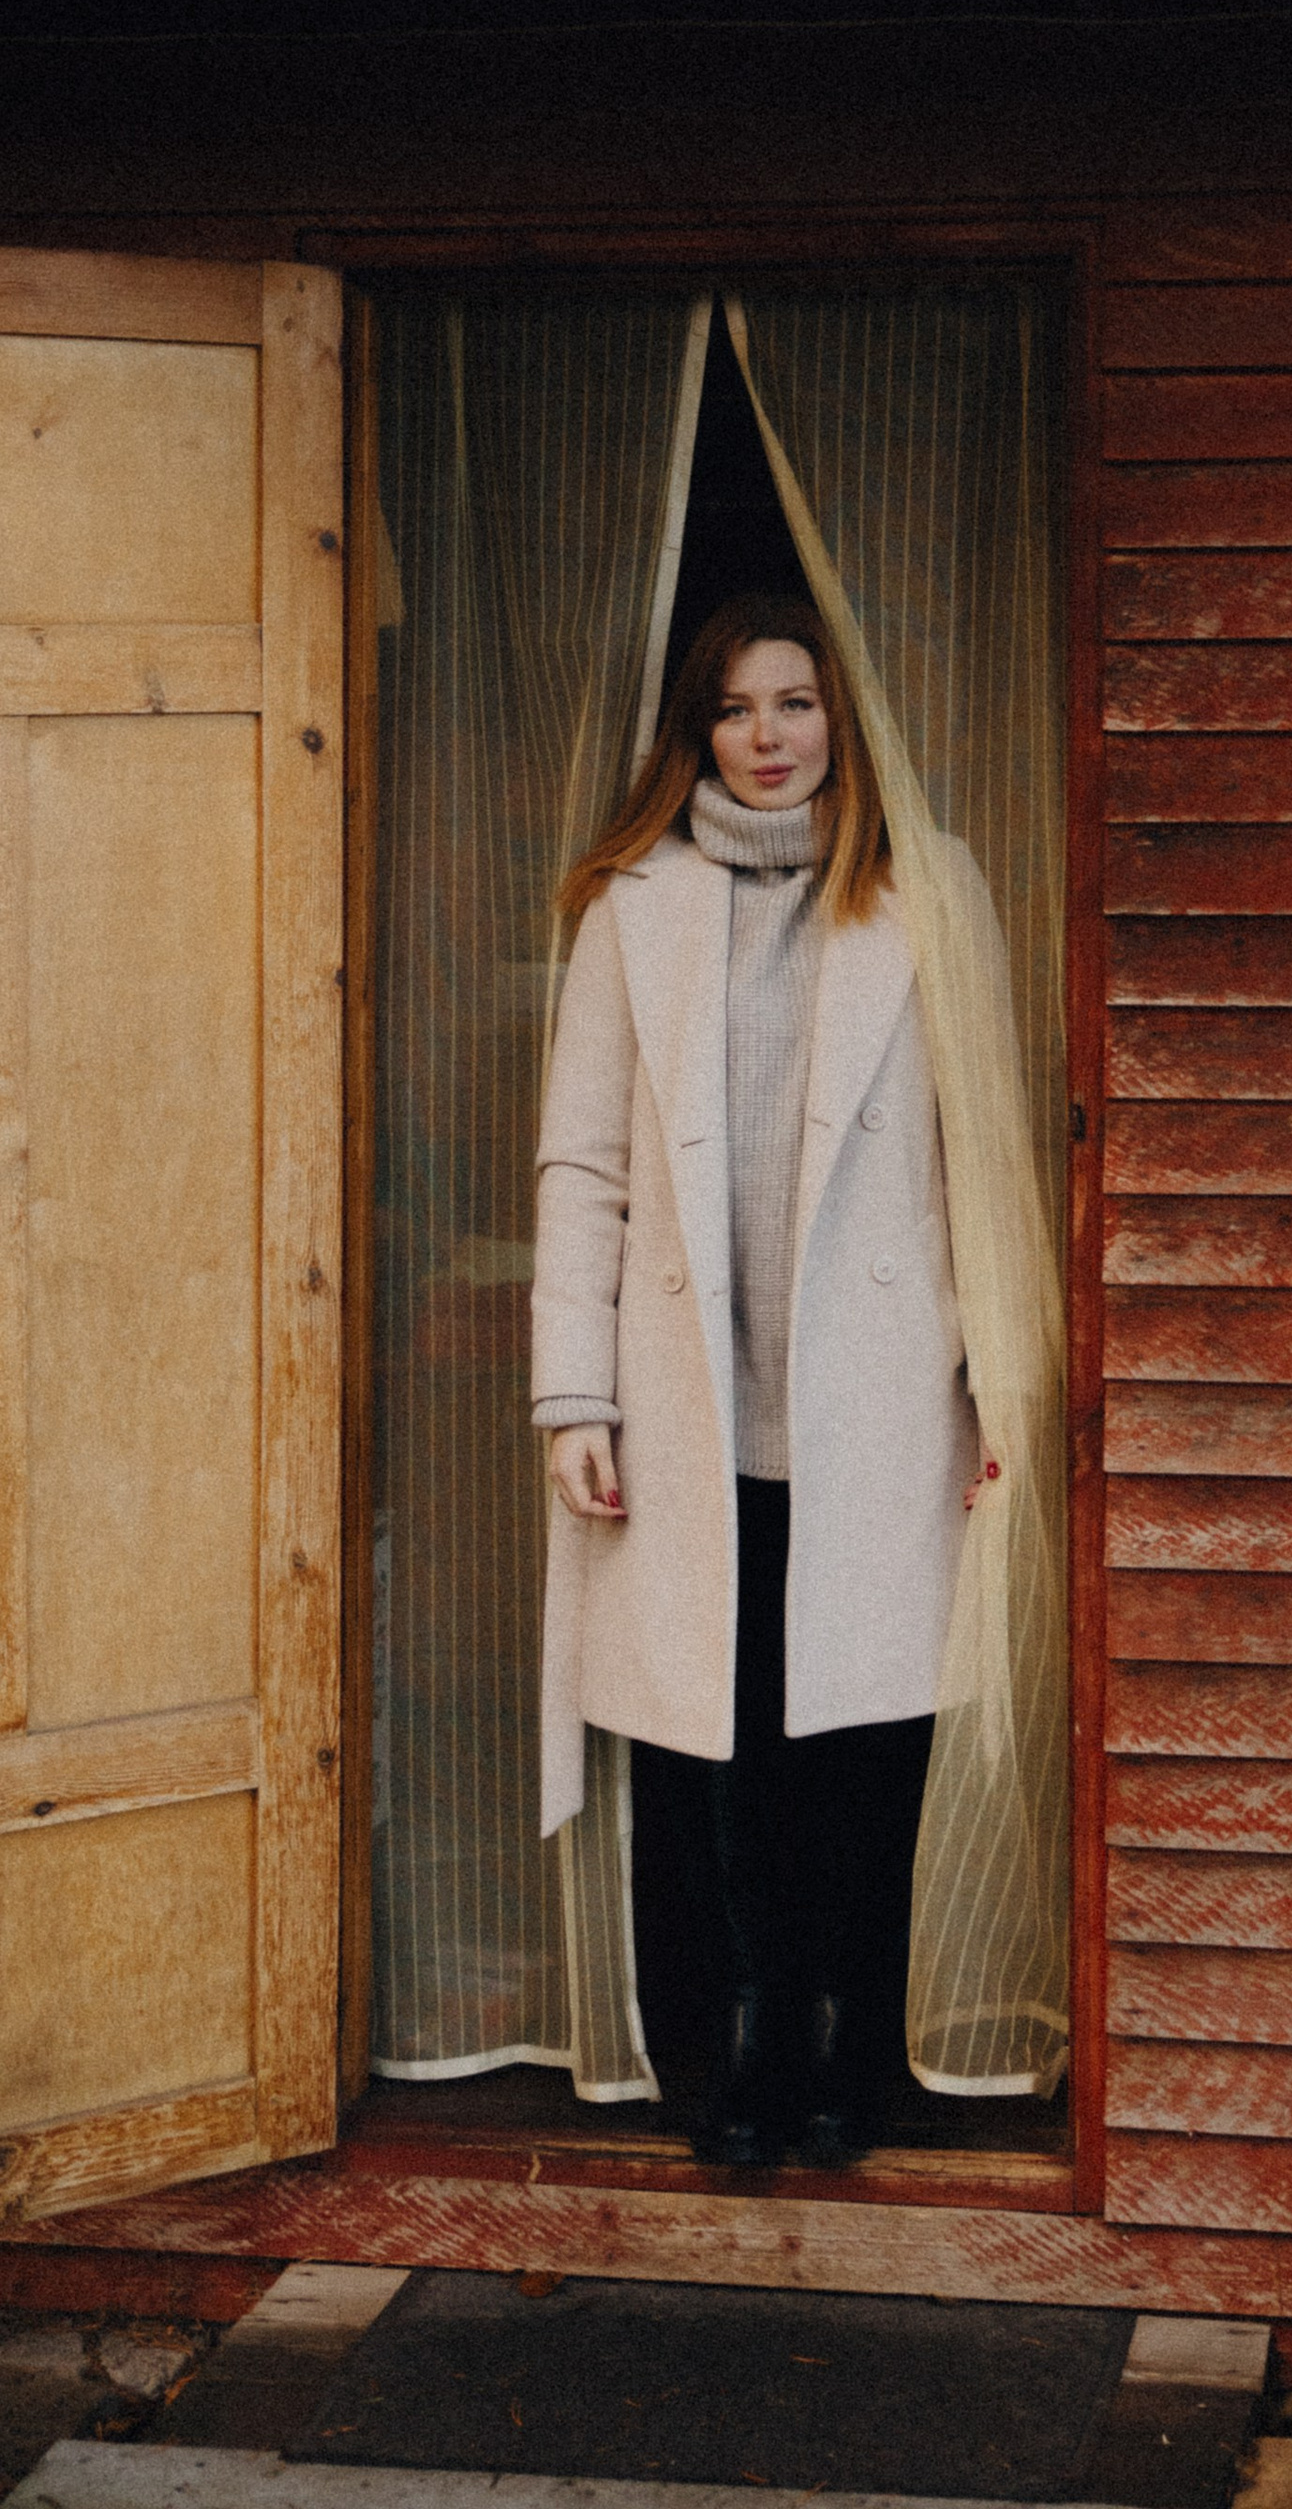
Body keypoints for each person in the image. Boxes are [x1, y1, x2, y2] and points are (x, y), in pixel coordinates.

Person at [532, 593, 980, 2169]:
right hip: (686, 1394)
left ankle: (855, 2044)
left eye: (796, 703)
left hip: (873, 1391)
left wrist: (996, 1386)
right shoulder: (629, 907)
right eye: (738, 708)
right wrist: (572, 1393)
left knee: (860, 1746)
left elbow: (979, 1164)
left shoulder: (923, 897)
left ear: (840, 718)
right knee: (713, 1754)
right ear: (698, 731)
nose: (771, 736)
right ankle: (741, 2049)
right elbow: (581, 1166)